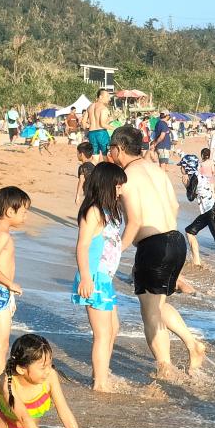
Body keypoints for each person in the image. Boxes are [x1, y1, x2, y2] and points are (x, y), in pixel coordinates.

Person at [111, 126, 205, 377]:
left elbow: (134, 220)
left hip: (154, 246)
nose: (109, 153)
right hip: (175, 241)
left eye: (111, 148)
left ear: (118, 149)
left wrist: (117, 250)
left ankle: (165, 368)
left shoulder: (127, 176)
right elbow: (174, 206)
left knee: (150, 312)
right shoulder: (156, 169)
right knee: (158, 303)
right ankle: (192, 344)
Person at [72, 163, 126, 392]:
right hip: (93, 278)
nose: (121, 190)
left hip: (105, 279)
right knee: (103, 333)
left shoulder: (109, 211)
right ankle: (100, 383)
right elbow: (82, 246)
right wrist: (85, 277)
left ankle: (101, 372)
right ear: (107, 185)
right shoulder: (93, 211)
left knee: (113, 328)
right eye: (119, 185)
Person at [0, 186, 31, 400]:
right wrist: (11, 284)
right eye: (24, 211)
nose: (26, 215)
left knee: (0, 344)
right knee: (0, 345)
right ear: (10, 211)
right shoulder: (2, 236)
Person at [86, 89, 112, 163]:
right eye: (107, 96)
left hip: (91, 133)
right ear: (100, 97)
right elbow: (102, 124)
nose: (109, 99)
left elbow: (83, 122)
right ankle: (108, 174)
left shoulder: (90, 107)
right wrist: (116, 128)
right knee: (106, 156)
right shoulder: (104, 108)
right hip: (101, 133)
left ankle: (91, 173)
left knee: (95, 158)